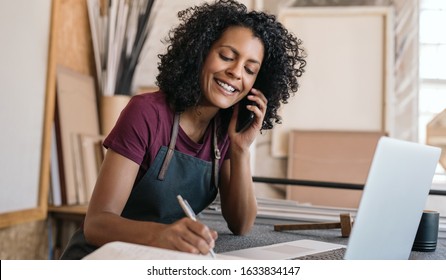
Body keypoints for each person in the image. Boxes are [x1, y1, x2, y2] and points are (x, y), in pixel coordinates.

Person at [60, 0, 306, 259]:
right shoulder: (146, 113)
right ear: (200, 53)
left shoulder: (223, 130)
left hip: (158, 257)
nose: (236, 73)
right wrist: (160, 235)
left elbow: (241, 224)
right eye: (226, 57)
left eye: (249, 69)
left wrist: (241, 149)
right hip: (101, 257)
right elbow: (97, 224)